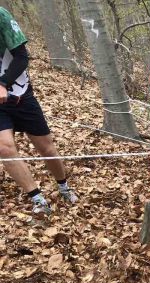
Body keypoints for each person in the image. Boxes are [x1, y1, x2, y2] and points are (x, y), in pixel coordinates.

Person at [0, 7, 77, 215]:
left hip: (20, 96)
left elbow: (22, 57)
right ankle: (38, 200)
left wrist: (3, 83)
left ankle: (63, 186)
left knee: (46, 148)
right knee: (4, 148)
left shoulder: (1, 16)